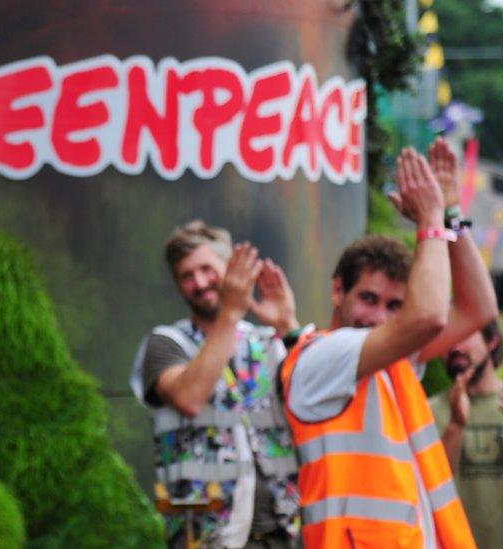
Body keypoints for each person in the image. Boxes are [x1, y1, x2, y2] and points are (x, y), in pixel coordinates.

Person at [280, 140, 496, 548]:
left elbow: (478, 308)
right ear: (337, 291)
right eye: (368, 299)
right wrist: (431, 221)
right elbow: (429, 315)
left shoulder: (393, 360)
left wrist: (451, 216)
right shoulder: (321, 355)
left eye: (394, 305)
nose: (379, 317)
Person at [131, 220, 303, 548]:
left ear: (231, 270)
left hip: (282, 530)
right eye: (186, 276)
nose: (199, 283)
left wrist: (287, 324)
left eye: (207, 270)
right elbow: (190, 397)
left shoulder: (267, 342)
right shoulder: (166, 343)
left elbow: (318, 401)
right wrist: (232, 312)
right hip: (202, 532)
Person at [429, 320, 503, 547]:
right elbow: (428, 490)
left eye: (463, 335)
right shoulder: (425, 412)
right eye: (447, 338)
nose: (455, 346)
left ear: (492, 341)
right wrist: (455, 427)